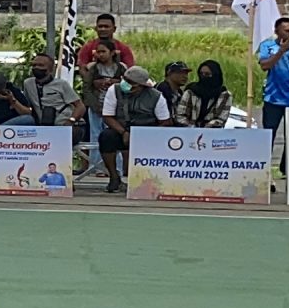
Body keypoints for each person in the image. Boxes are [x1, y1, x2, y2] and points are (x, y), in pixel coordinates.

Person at [74, 14, 135, 176]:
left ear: (114, 28)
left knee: (114, 135)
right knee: (94, 134)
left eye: (106, 26)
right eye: (100, 26)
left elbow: (131, 75)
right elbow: (82, 70)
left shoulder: (124, 50)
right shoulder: (88, 48)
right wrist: (94, 82)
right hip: (95, 102)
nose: (103, 29)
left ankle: (117, 169)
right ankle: (96, 168)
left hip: (117, 105)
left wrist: (115, 82)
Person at [99, 64, 171, 193]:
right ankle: (114, 177)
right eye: (125, 80)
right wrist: (123, 132)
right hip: (121, 130)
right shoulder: (113, 90)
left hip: (148, 133)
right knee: (106, 137)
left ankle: (149, 180)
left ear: (142, 86)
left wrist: (145, 136)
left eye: (131, 83)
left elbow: (165, 121)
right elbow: (107, 116)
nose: (125, 84)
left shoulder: (157, 97)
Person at [255, 17, 289, 172]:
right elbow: (265, 66)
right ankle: (264, 169)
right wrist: (281, 51)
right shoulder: (267, 47)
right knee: (269, 136)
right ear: (277, 31)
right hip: (273, 99)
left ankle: (286, 169)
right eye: (287, 31)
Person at [178, 59, 234, 127]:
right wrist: (192, 127)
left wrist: (206, 128)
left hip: (213, 133)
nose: (203, 76)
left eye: (207, 74)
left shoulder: (225, 95)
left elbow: (221, 119)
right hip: (189, 131)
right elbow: (180, 115)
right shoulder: (191, 91)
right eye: (201, 73)